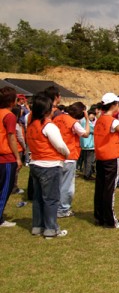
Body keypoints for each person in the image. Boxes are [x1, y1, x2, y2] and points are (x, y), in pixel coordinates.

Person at [27, 94, 70, 237]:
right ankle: (51, 228)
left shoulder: (31, 124)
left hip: (36, 163)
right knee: (51, 199)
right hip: (50, 165)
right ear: (47, 110)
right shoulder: (49, 126)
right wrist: (67, 153)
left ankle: (37, 226)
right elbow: (60, 145)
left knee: (38, 198)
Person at [94, 93, 119, 229]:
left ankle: (100, 217)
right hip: (111, 158)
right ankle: (111, 220)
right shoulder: (112, 121)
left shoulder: (100, 119)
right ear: (114, 105)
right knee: (110, 189)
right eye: (118, 104)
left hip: (101, 156)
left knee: (101, 188)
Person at [53, 102, 90, 218]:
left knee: (57, 184)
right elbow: (85, 134)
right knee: (67, 185)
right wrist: (87, 120)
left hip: (56, 155)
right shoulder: (73, 122)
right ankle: (63, 209)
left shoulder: (57, 118)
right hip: (69, 156)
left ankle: (55, 207)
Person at [0, 87, 22, 228]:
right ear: (11, 101)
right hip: (6, 156)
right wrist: (17, 157)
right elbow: (11, 137)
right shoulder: (9, 116)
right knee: (5, 189)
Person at [80, 110, 96, 180]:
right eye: (92, 115)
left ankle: (85, 173)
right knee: (89, 160)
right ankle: (87, 174)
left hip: (84, 144)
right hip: (89, 144)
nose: (93, 117)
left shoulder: (82, 121)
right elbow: (94, 130)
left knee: (86, 160)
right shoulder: (87, 122)